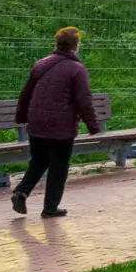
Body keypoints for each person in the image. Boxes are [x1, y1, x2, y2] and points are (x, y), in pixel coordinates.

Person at [12, 26, 101, 218]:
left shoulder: (41, 64)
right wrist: (93, 126)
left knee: (38, 161)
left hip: (36, 124)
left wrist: (22, 116)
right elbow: (83, 100)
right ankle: (50, 207)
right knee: (58, 167)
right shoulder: (76, 69)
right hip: (61, 127)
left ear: (57, 43)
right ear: (76, 46)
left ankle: (21, 192)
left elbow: (26, 93)